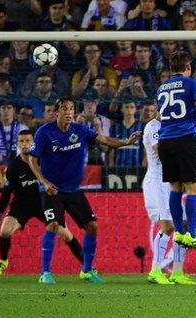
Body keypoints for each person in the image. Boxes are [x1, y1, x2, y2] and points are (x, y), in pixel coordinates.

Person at [29, 97, 141, 284]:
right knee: (53, 225)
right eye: (64, 109)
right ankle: (45, 273)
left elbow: (104, 139)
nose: (69, 112)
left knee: (92, 226)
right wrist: (44, 182)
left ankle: (87, 270)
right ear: (57, 112)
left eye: (71, 109)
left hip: (73, 189)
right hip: (52, 190)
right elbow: (32, 160)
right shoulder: (44, 132)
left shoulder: (80, 130)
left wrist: (125, 142)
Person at [0, 130, 83, 276]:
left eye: (28, 141)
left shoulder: (44, 161)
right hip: (21, 204)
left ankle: (87, 267)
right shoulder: (13, 168)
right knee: (4, 231)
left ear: (34, 143)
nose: (25, 144)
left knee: (65, 234)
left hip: (44, 203)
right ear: (18, 144)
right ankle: (3, 261)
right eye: (21, 141)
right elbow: (5, 195)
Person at [156, 51, 196, 264]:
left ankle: (179, 232)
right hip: (184, 138)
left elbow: (161, 114)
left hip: (165, 141)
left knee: (175, 187)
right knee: (192, 187)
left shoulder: (161, 88)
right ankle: (193, 234)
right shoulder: (191, 83)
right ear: (188, 66)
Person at [142, 113, 184, 285]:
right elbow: (162, 153)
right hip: (158, 181)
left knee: (183, 226)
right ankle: (155, 270)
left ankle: (178, 273)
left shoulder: (172, 126)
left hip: (170, 181)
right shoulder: (153, 127)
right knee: (167, 225)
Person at [0, 100, 28, 165]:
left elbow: (29, 152)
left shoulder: (23, 129)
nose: (6, 111)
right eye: (3, 108)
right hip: (0, 170)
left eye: (9, 108)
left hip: (20, 167)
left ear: (14, 110)